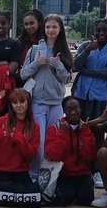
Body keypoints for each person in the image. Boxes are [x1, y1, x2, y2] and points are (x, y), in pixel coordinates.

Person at [20, 12, 72, 177]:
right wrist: (36, 63)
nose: (51, 30)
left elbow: (67, 78)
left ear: (60, 29)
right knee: (40, 143)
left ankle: (49, 176)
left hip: (56, 103)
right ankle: (34, 175)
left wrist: (58, 65)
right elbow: (23, 74)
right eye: (48, 27)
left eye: (54, 27)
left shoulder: (64, 50)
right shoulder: (35, 49)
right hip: (37, 102)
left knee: (53, 142)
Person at [0, 87, 42, 207]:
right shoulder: (2, 121)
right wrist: (0, 134)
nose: (19, 105)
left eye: (22, 101)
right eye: (15, 102)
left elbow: (30, 155)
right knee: (6, 189)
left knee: (30, 191)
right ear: (11, 105)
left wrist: (18, 137)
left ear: (28, 103)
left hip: (20, 170)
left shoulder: (34, 127)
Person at [44, 96, 97, 206]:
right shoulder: (55, 128)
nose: (73, 112)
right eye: (69, 109)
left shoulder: (85, 128)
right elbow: (54, 156)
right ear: (64, 111)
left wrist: (85, 133)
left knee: (86, 199)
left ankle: (82, 187)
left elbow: (90, 155)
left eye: (76, 108)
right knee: (67, 198)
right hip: (62, 173)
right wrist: (62, 133)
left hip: (82, 173)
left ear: (80, 109)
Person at [72, 19, 107, 121]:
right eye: (98, 30)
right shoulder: (85, 46)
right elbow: (75, 66)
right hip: (81, 93)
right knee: (79, 125)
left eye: (105, 30)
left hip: (101, 96)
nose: (101, 33)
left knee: (99, 126)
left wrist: (84, 71)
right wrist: (88, 50)